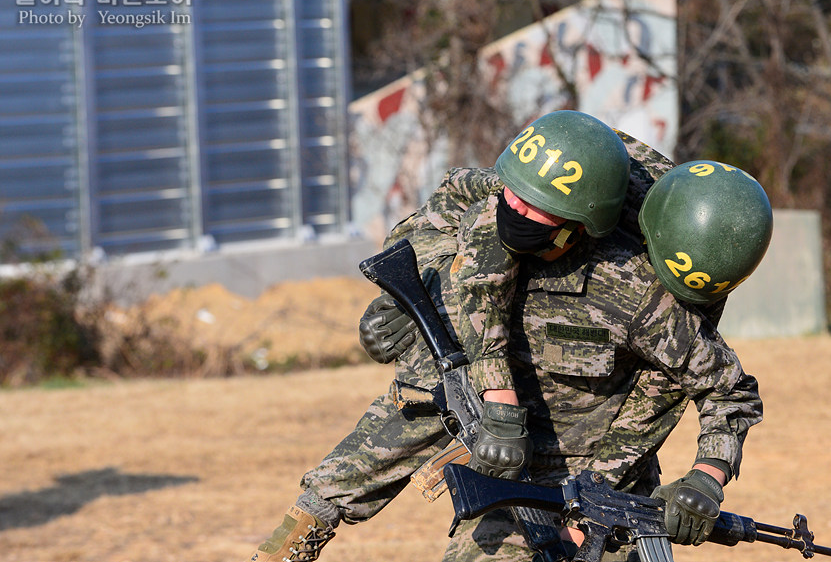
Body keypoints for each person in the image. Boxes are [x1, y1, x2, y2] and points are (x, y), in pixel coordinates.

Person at [249, 112, 773, 562]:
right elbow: (460, 247)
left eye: (531, 211)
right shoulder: (549, 171)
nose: (514, 210)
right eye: (512, 200)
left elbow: (689, 391)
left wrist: (699, 476)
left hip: (581, 417)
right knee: (337, 482)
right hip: (458, 363)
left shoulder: (663, 285)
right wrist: (416, 294)